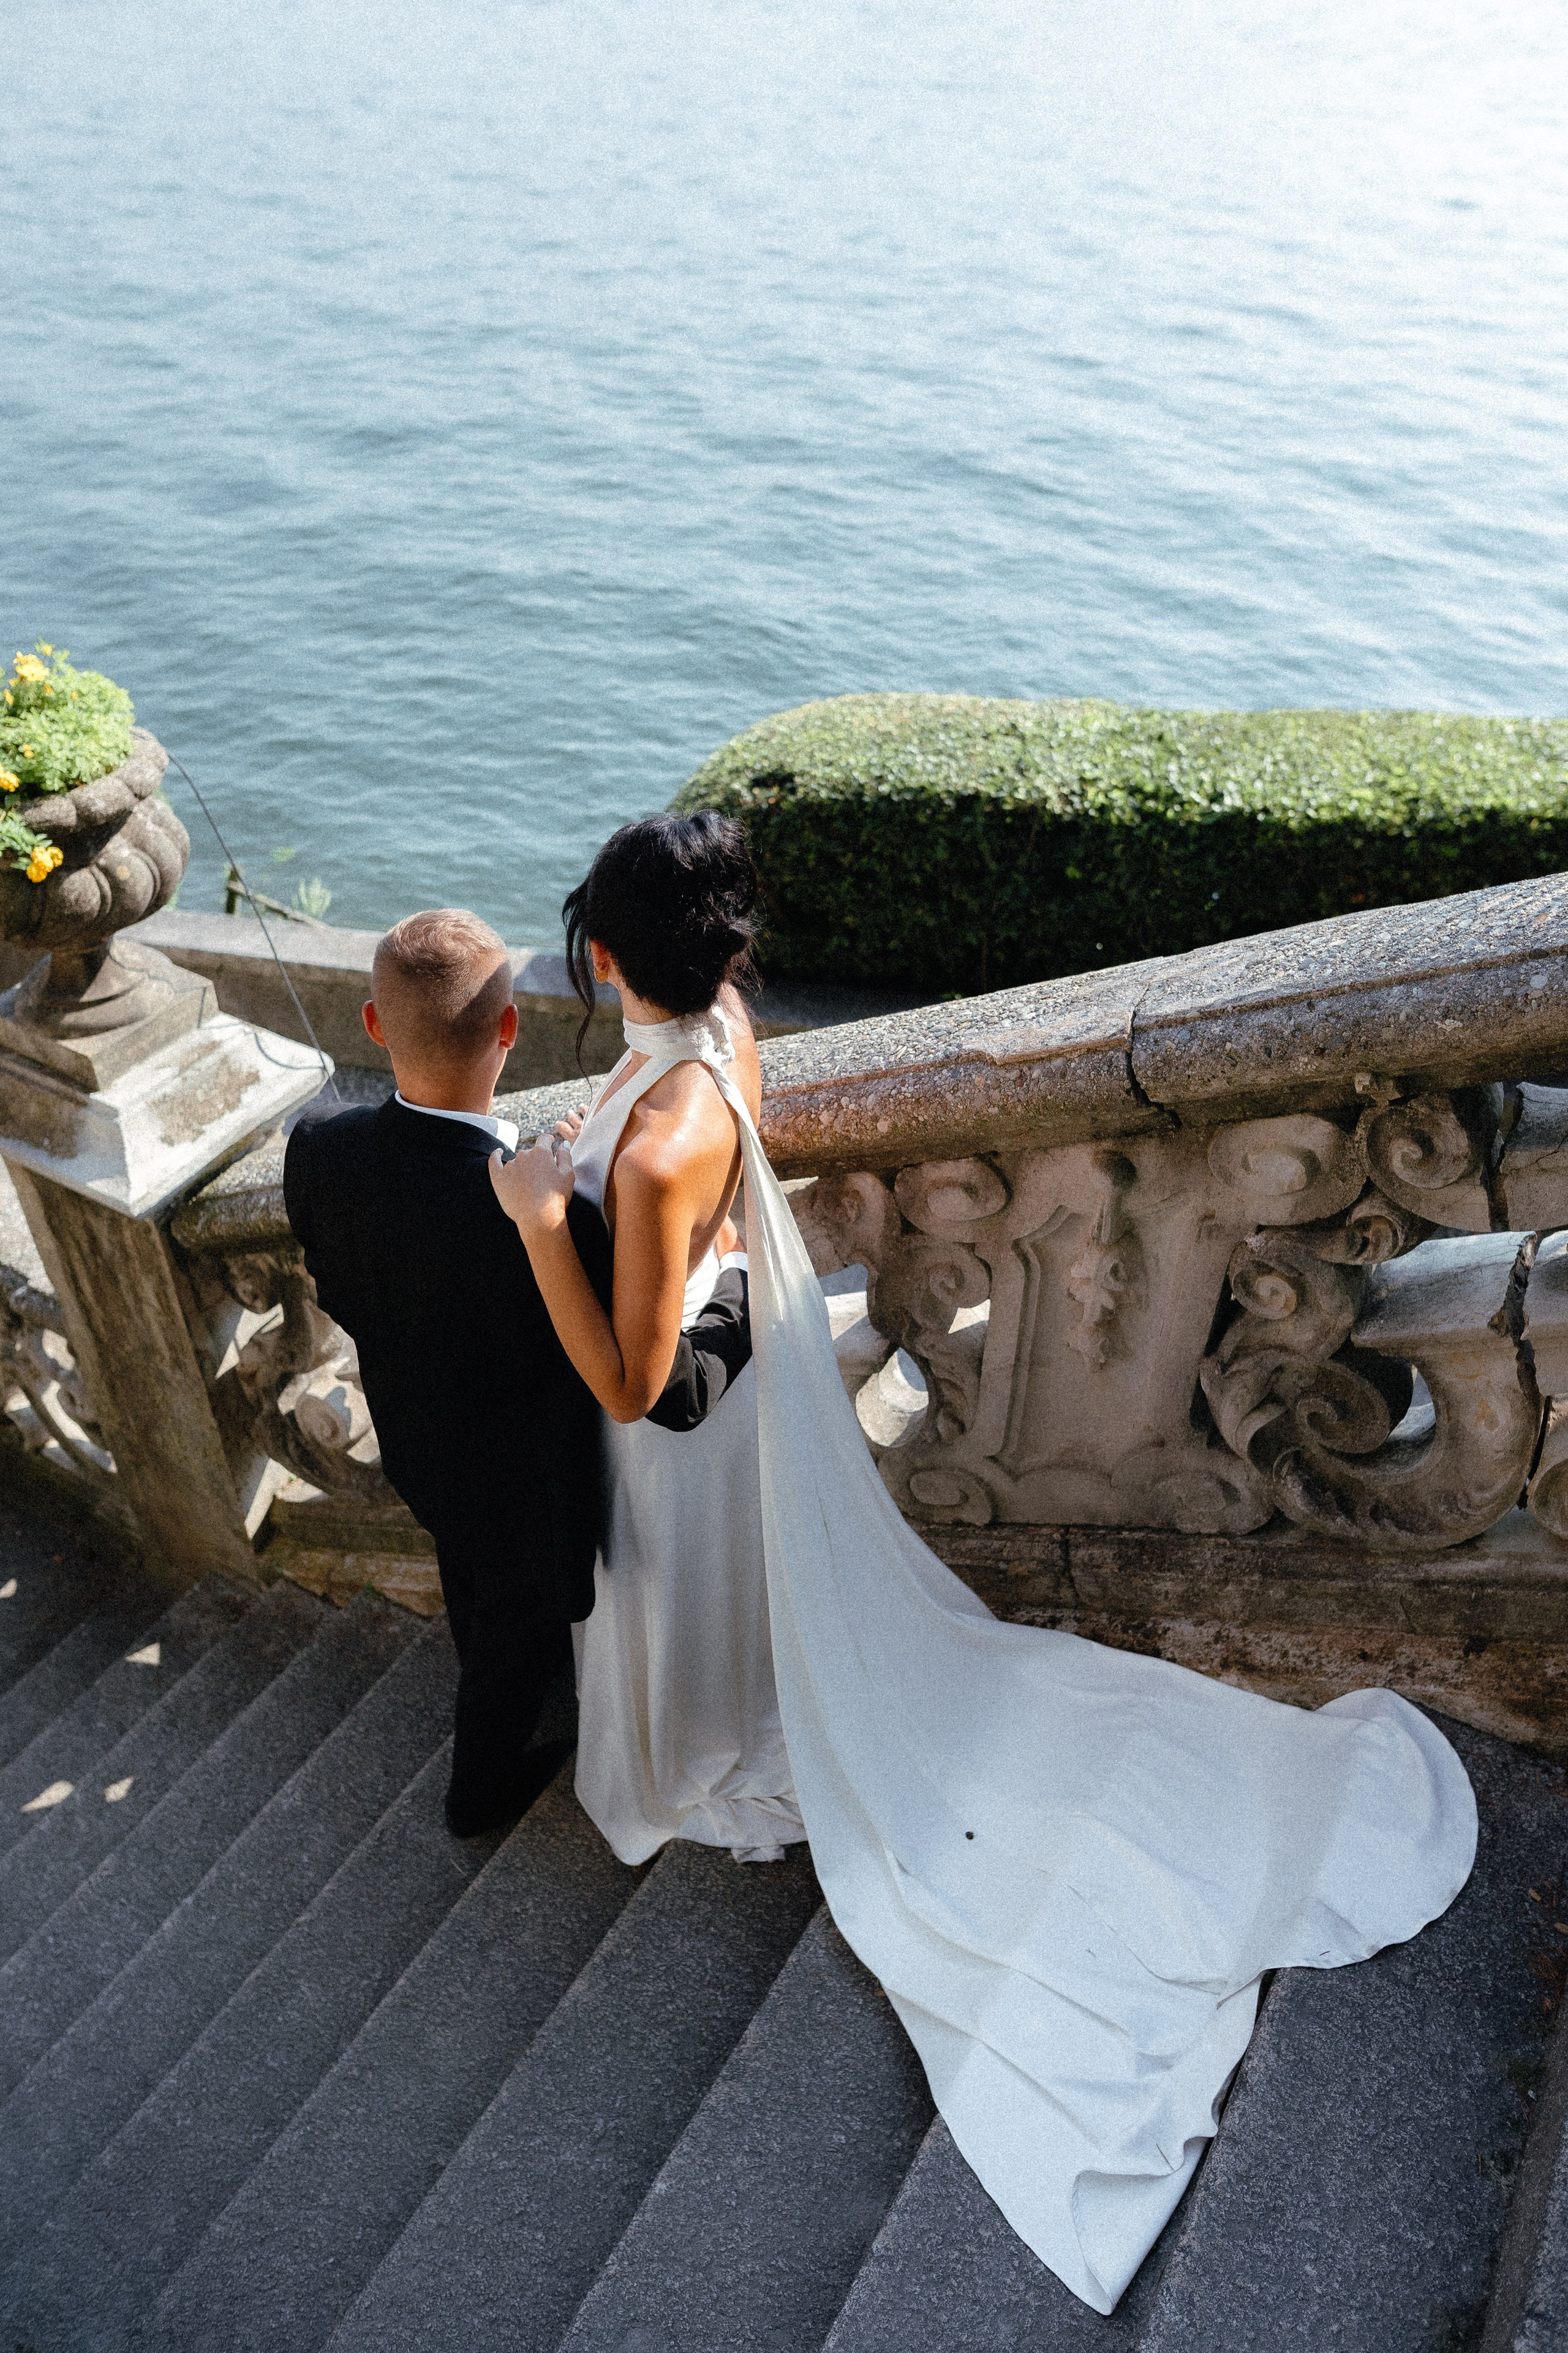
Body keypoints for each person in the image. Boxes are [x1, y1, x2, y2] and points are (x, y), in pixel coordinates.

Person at [491, 814, 1479, 2316]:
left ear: (606, 952)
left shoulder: (664, 1138)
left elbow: (626, 1380)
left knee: (685, 1591)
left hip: (678, 1424)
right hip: (735, 1372)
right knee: (744, 1599)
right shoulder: (722, 1032)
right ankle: (745, 1701)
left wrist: (533, 1223)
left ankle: (709, 1735)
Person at [282, 907, 754, 1838]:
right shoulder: (559, 1223)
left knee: (472, 1582)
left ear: (373, 1027)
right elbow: (646, 1382)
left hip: (416, 1446)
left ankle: (489, 1655)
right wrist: (740, 1289)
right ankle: (479, 1791)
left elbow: (338, 1285)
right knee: (512, 1632)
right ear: (510, 1028)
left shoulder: (317, 1149)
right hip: (528, 1494)